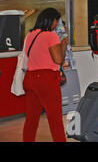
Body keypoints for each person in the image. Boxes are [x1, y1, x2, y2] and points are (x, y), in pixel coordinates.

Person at [22, 8, 68, 142]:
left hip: (30, 78)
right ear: (51, 20)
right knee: (55, 119)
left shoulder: (30, 35)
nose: (56, 24)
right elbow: (58, 60)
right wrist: (63, 45)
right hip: (46, 80)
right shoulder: (51, 35)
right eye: (56, 21)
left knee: (31, 119)